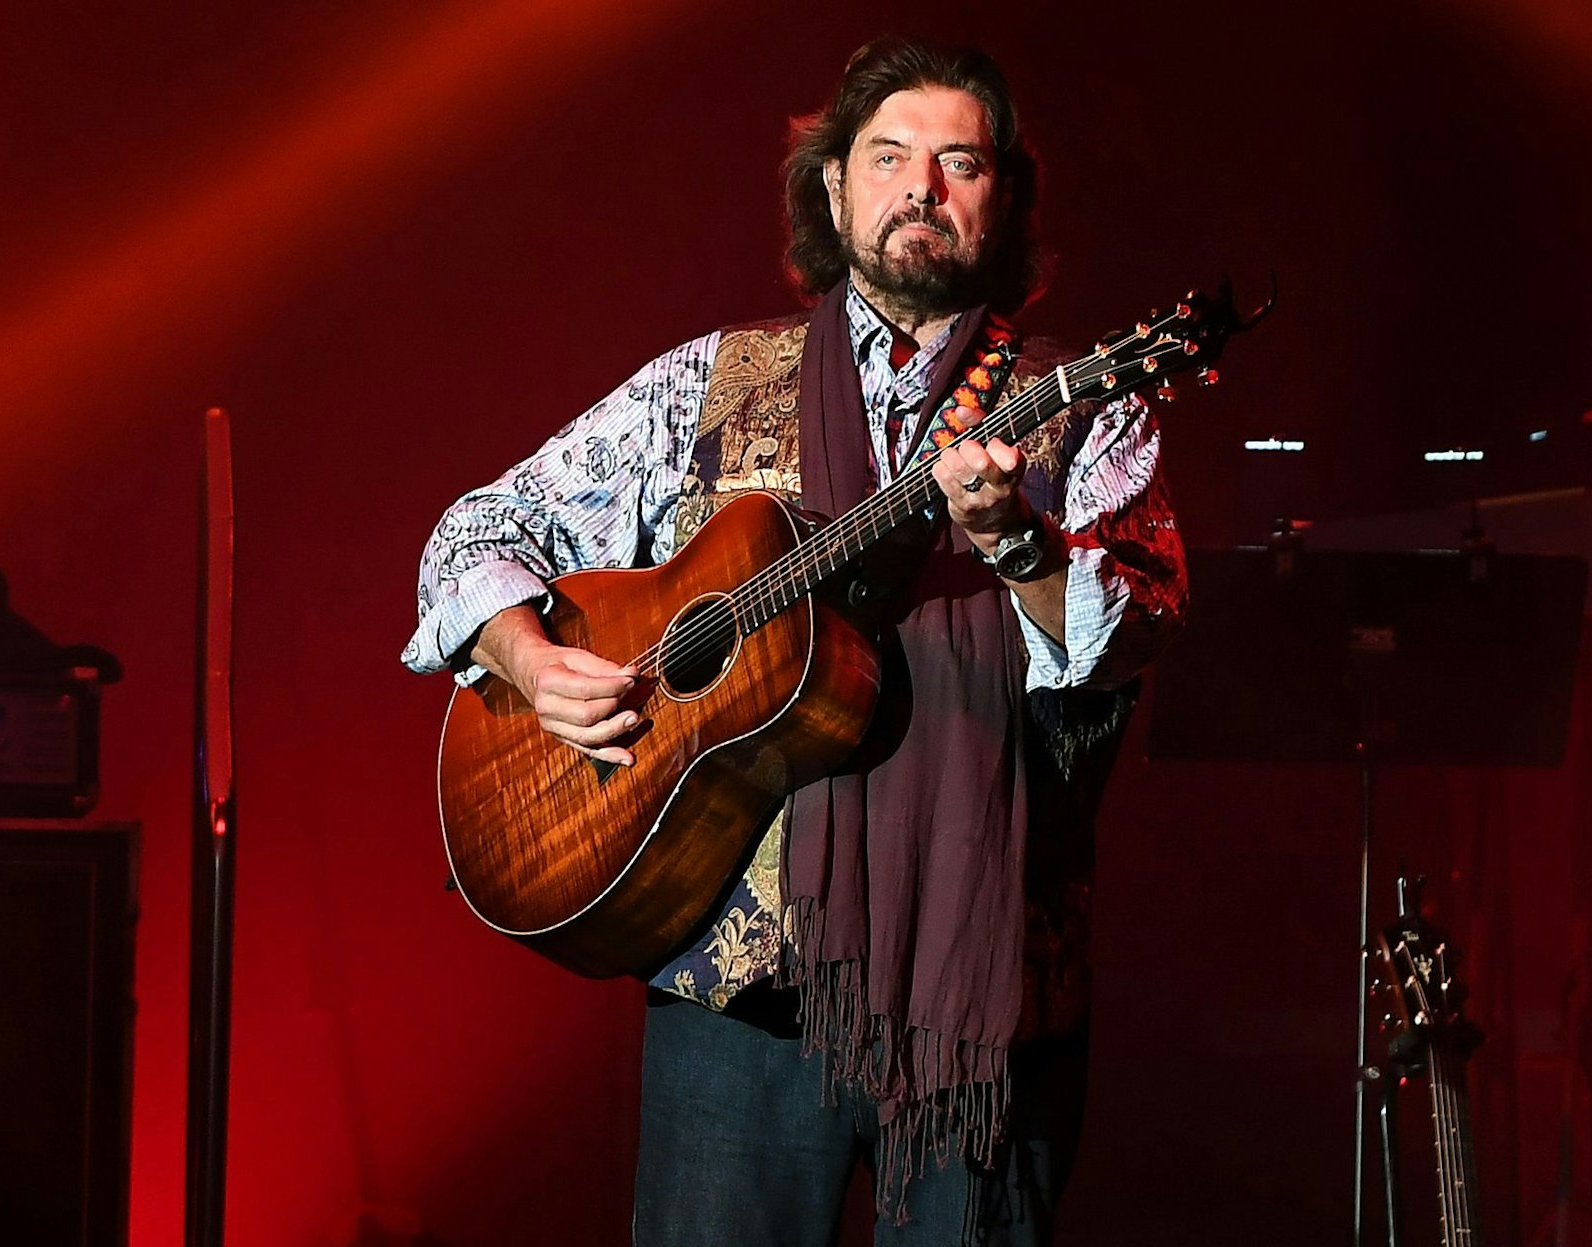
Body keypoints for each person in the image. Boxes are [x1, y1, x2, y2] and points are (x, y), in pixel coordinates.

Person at [403, 36, 1187, 1246]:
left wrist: (1015, 543)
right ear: (833, 187)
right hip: (738, 1008)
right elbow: (473, 533)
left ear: (1002, 198)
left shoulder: (1085, 405)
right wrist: (529, 658)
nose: (920, 186)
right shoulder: (703, 382)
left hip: (983, 1013)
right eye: (887, 157)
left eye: (958, 162)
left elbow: (1129, 634)